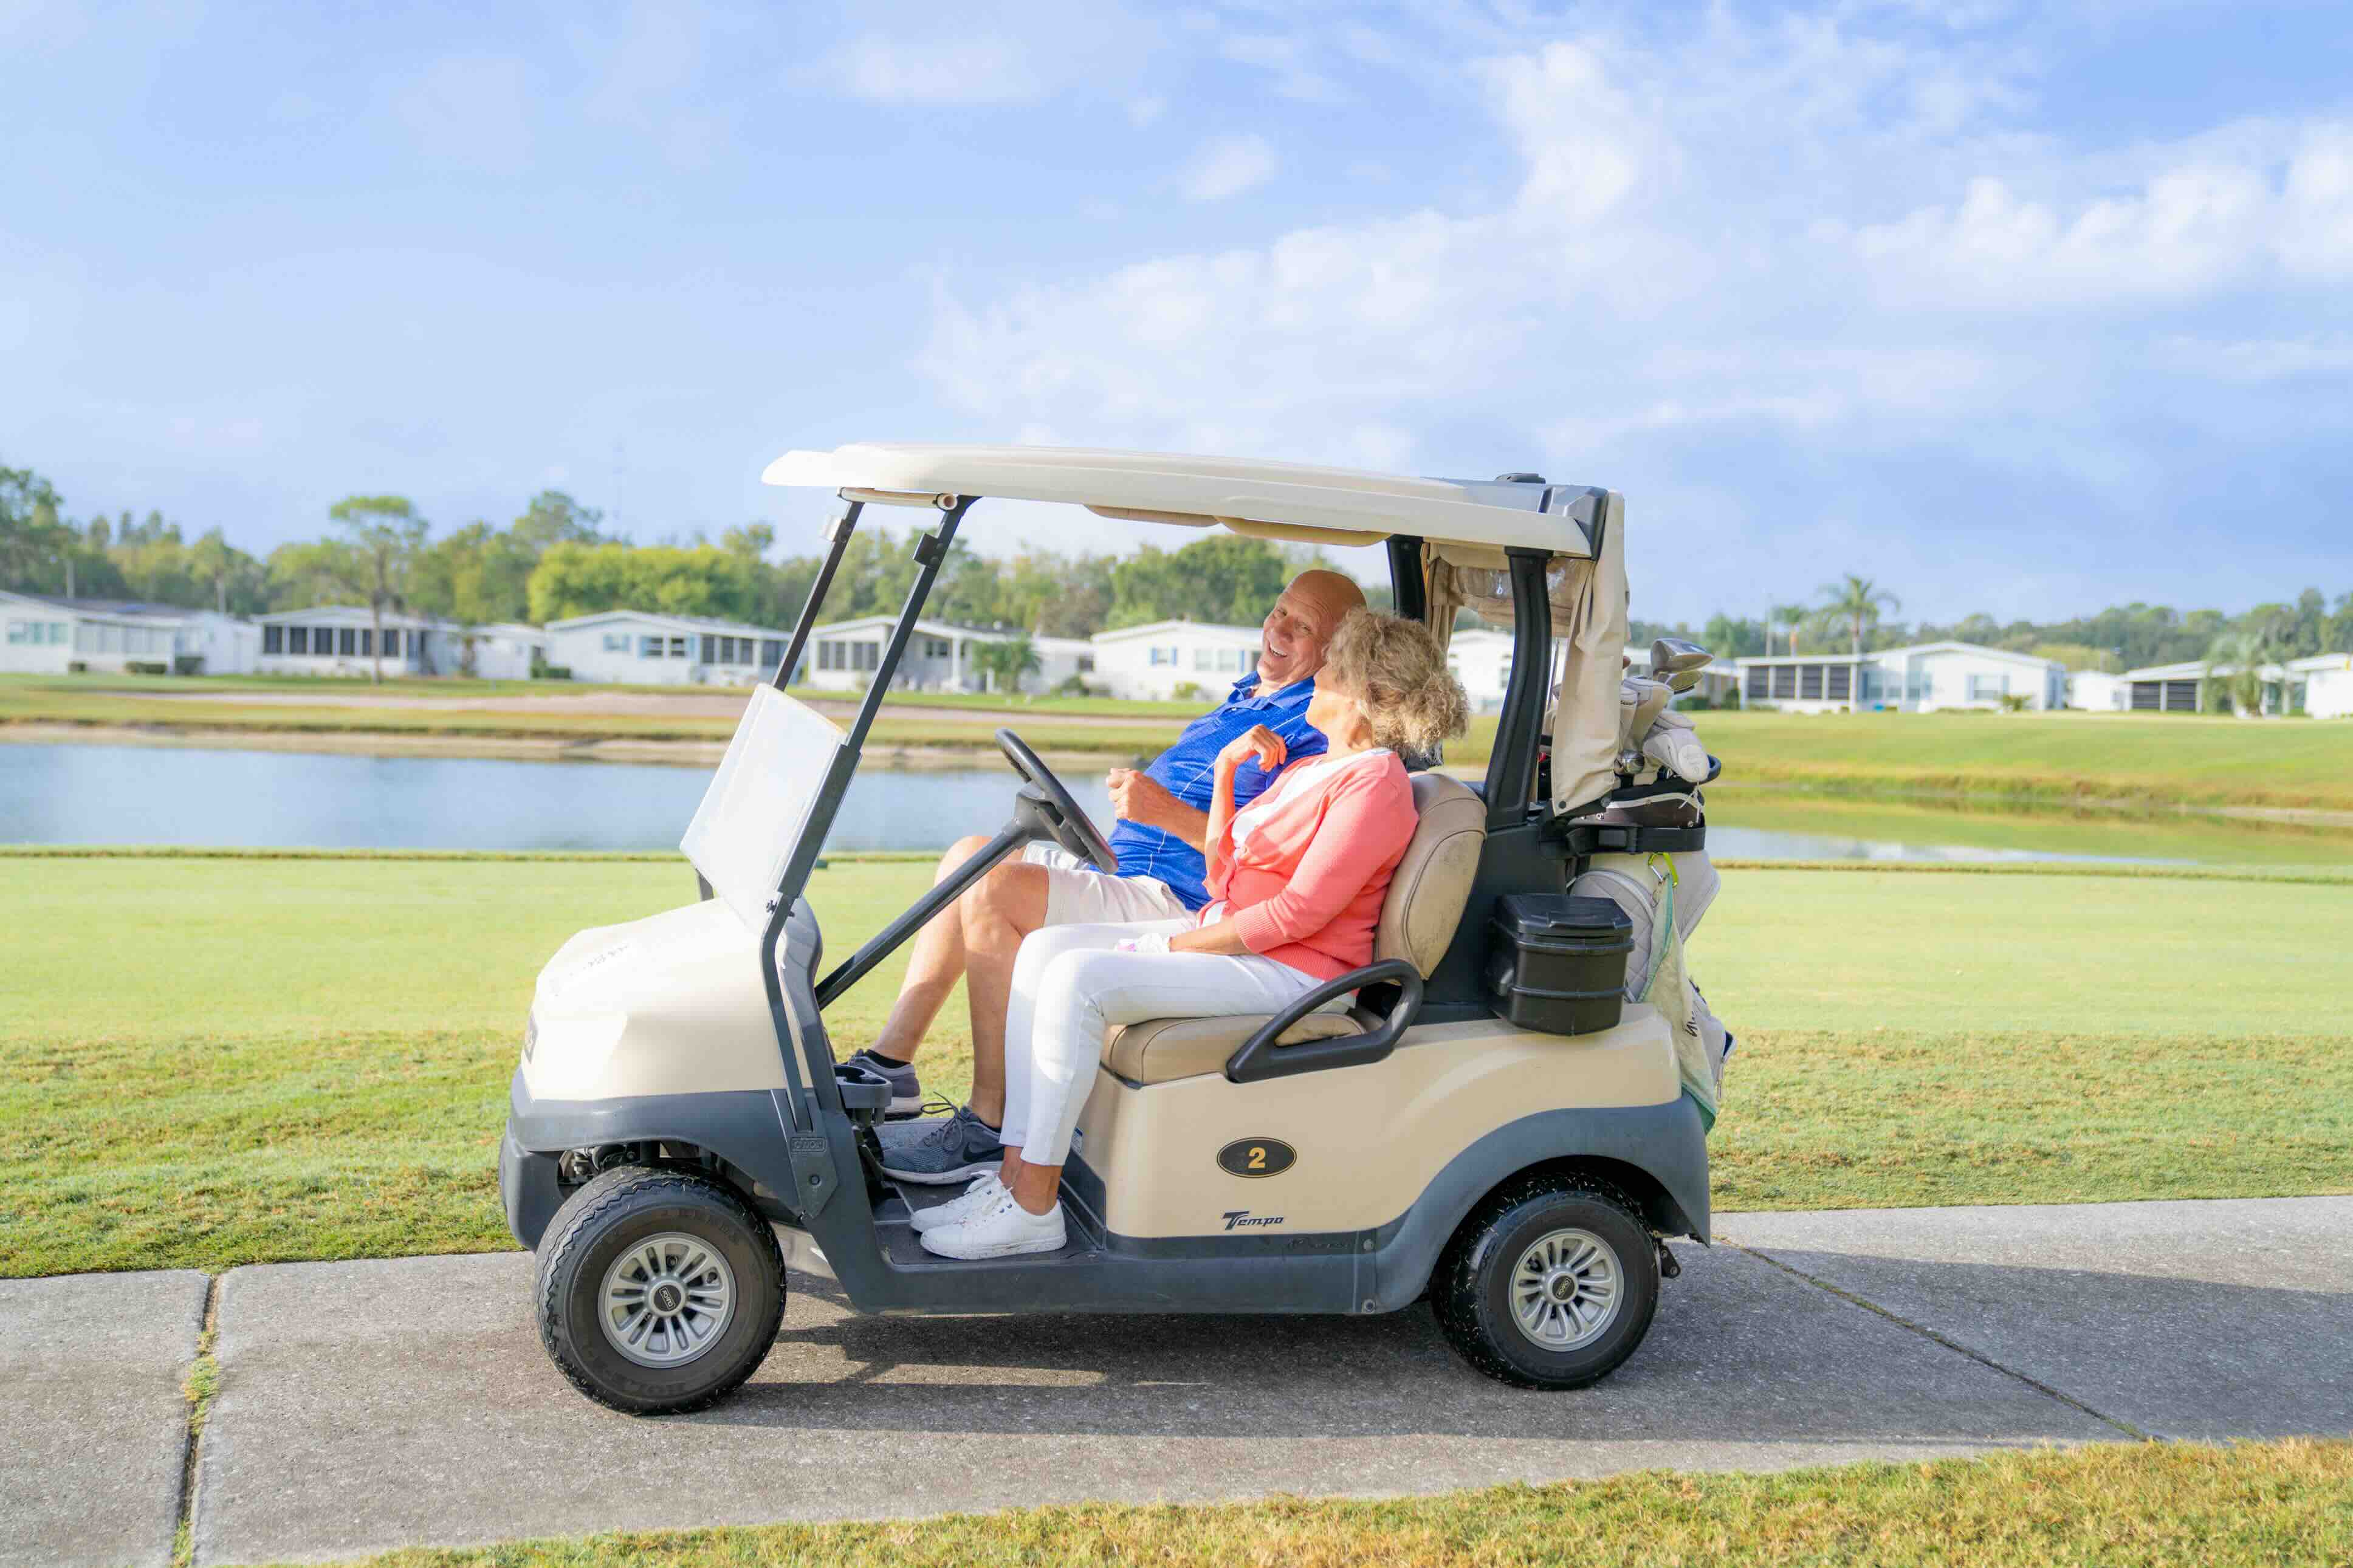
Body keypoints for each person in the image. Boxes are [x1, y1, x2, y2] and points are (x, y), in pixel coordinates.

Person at [910, 609, 1471, 1258]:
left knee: (1078, 978)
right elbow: (1222, 868)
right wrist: (1229, 770)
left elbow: (1296, 916)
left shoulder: (1375, 786)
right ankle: (1011, 1177)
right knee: (1042, 949)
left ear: (1370, 699)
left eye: (1334, 670)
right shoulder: (1307, 770)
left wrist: (1170, 945)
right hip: (1248, 948)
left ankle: (1035, 1206)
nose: (1317, 678)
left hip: (1297, 973)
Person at [859, 570, 1370, 1184]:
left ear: (1337, 650)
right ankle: (892, 1064)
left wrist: (1163, 814)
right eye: (1279, 611)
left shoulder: (1315, 727)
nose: (1278, 629)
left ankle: (989, 1124)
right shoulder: (1244, 698)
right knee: (970, 855)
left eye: (1302, 625)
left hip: (1180, 899)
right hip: (1125, 871)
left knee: (994, 891)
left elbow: (1269, 859)